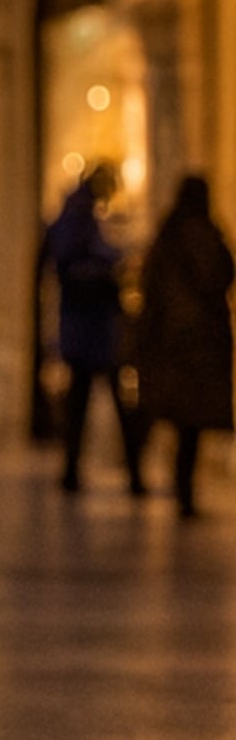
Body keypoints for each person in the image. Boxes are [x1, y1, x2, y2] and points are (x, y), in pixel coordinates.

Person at [39, 165, 141, 494]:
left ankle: (74, 471)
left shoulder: (72, 218)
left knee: (80, 404)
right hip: (91, 328)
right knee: (99, 402)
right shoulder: (79, 221)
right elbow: (79, 263)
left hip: (82, 329)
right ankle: (131, 474)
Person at [136, 175, 233, 517]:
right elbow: (222, 273)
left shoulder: (169, 237)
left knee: (172, 417)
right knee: (189, 424)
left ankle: (171, 483)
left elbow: (151, 286)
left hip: (173, 345)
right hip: (197, 346)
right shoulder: (205, 236)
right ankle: (183, 489)